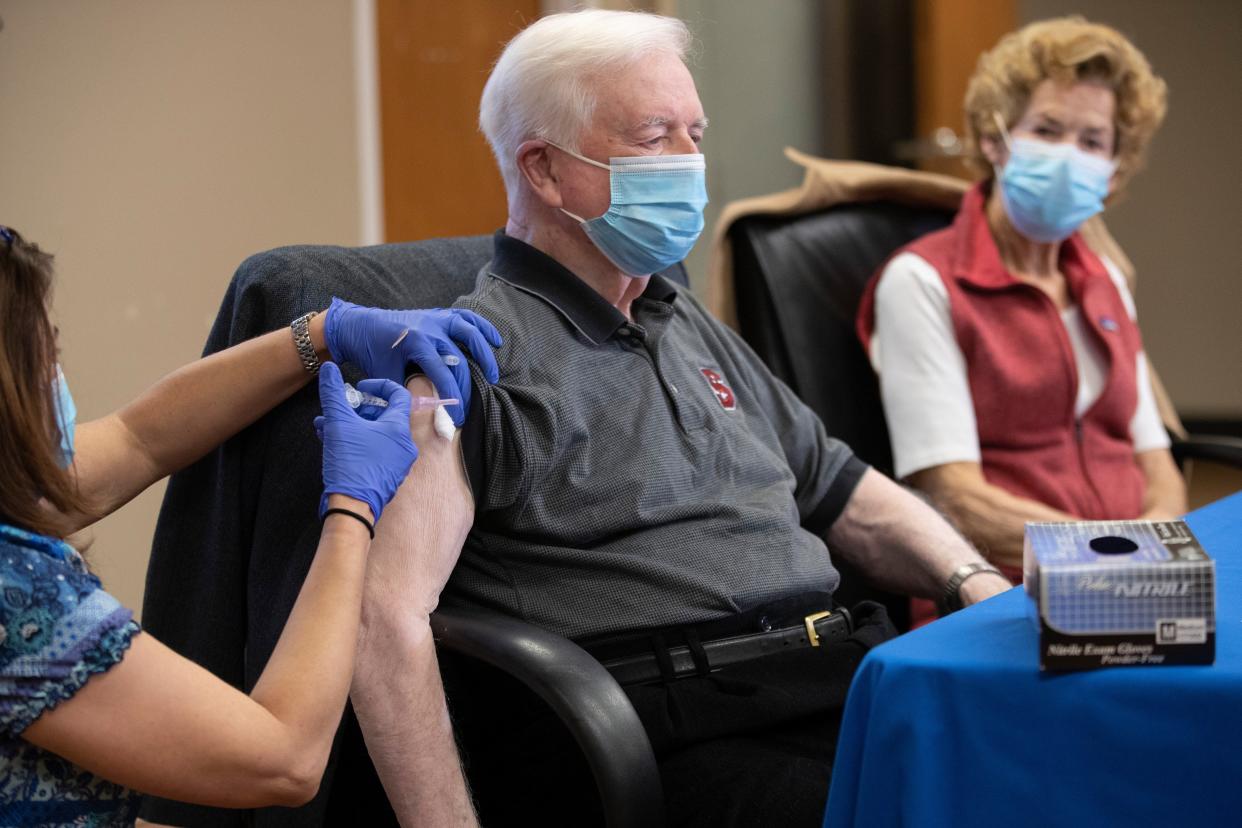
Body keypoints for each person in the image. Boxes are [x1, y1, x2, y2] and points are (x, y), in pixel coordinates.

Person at [345, 10, 1012, 827]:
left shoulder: (682, 319)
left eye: (695, 134)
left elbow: (841, 490)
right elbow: (387, 620)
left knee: (1078, 762)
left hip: (837, 676)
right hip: (684, 727)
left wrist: (969, 580)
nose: (692, 165)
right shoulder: (472, 360)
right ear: (546, 171)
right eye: (656, 137)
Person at [0, 226, 497, 824]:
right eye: (44, 357)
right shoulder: (19, 599)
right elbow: (285, 757)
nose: (56, 372)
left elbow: (138, 441)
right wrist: (352, 506)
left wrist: (321, 334)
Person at [856, 17, 1185, 608]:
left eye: (1091, 142)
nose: (1068, 155)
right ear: (995, 139)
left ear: (1114, 168)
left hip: (1133, 583)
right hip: (1004, 592)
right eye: (1047, 129)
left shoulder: (1105, 277)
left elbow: (1157, 465)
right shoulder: (923, 281)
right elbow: (956, 498)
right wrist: (1110, 555)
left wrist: (1153, 555)